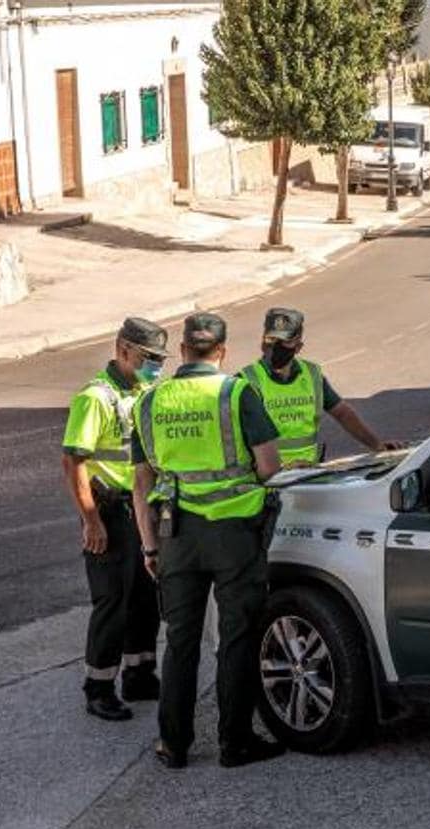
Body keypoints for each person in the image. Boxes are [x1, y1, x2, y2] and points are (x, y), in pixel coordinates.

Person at [130, 312, 285, 769]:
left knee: (180, 642)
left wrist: (149, 547)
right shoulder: (236, 393)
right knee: (236, 638)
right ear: (221, 351)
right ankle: (234, 742)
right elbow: (270, 467)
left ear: (181, 351)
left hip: (174, 533)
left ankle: (172, 744)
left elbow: (140, 484)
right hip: (235, 535)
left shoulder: (149, 402)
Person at [61, 317, 168, 721]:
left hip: (141, 507)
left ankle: (139, 674)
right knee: (112, 601)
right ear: (123, 350)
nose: (154, 366)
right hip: (108, 511)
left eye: (159, 359)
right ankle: (99, 686)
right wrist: (91, 521)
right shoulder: (96, 397)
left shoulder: (147, 391)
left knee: (145, 597)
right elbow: (73, 462)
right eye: (147, 358)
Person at [239, 307, 396, 465]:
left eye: (284, 341)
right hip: (269, 481)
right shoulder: (247, 380)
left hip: (310, 475)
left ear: (298, 347)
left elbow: (343, 414)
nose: (275, 347)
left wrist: (377, 446)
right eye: (271, 340)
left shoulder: (311, 375)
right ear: (262, 341)